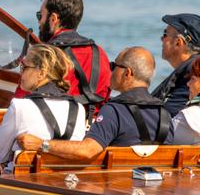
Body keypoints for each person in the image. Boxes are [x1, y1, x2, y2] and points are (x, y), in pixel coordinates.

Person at [14, 46, 171, 164]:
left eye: (113, 66)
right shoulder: (165, 113)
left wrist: (42, 144)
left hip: (115, 190)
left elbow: (88, 151)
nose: (110, 70)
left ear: (127, 73)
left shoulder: (114, 111)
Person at [0, 45, 86, 170]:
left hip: (21, 181)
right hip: (60, 180)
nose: (21, 73)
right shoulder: (78, 109)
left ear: (41, 73)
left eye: (24, 67)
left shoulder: (20, 106)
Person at [14, 0, 112, 106]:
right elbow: (105, 96)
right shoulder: (100, 53)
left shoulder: (44, 56)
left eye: (40, 16)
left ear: (53, 19)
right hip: (94, 123)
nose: (39, 22)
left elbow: (20, 101)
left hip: (53, 123)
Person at [150, 13, 200, 115]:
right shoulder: (195, 67)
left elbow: (167, 115)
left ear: (178, 42)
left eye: (165, 35)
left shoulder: (194, 72)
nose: (161, 39)